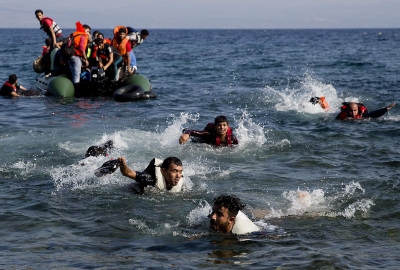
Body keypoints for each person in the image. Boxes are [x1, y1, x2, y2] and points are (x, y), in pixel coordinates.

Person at [117, 156, 184, 193]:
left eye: (180, 172)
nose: (178, 176)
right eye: (175, 171)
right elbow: (127, 173)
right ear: (163, 171)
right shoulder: (149, 178)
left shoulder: (180, 180)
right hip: (134, 192)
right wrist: (123, 164)